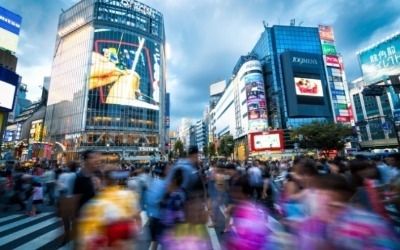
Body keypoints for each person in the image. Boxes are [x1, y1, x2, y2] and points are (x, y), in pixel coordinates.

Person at [75, 164, 141, 249]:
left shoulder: (94, 205)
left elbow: (85, 240)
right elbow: (138, 220)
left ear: (103, 179)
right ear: (117, 179)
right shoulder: (129, 196)